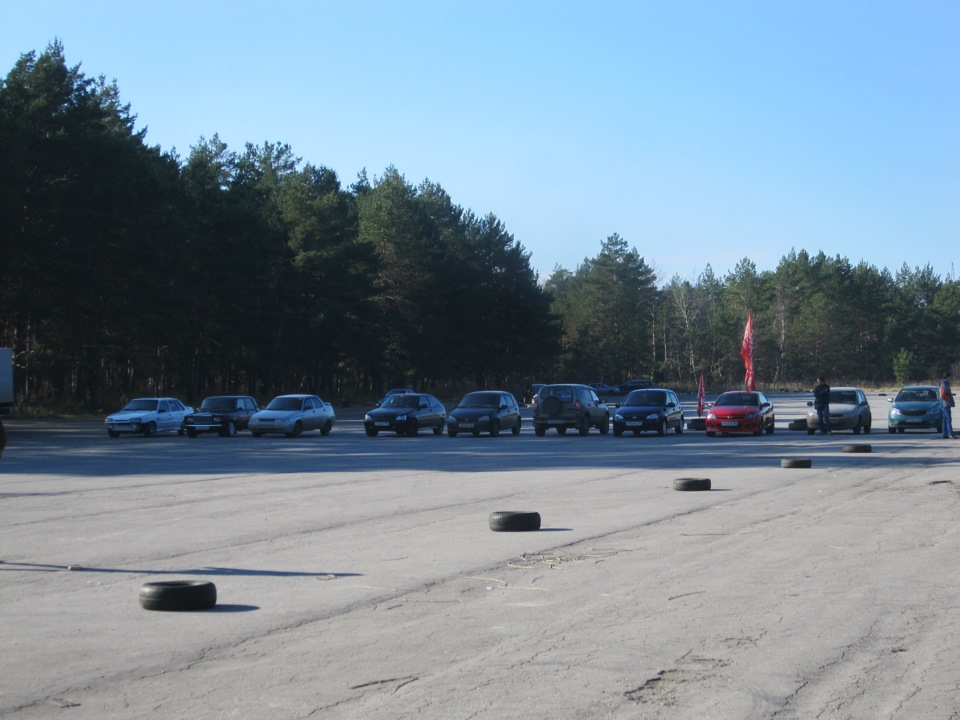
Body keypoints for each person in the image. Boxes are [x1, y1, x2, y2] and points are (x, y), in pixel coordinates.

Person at [940, 371, 956, 439]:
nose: (951, 378)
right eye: (950, 376)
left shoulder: (945, 383)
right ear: (947, 377)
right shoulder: (944, 384)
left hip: (945, 403)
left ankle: (945, 434)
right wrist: (949, 399)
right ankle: (950, 434)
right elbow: (943, 394)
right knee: (949, 419)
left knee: (945, 419)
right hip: (945, 404)